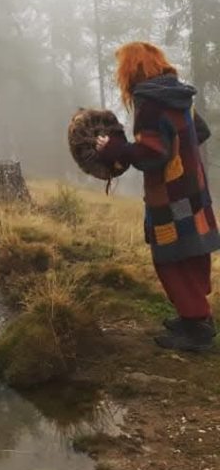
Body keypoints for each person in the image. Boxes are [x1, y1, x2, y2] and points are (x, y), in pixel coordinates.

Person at [97, 42, 219, 352]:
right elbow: (200, 131)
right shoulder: (178, 94)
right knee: (191, 254)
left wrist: (115, 149)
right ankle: (196, 317)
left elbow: (152, 154)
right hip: (194, 191)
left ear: (131, 70)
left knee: (170, 259)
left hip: (170, 198)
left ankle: (196, 329)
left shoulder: (148, 101)